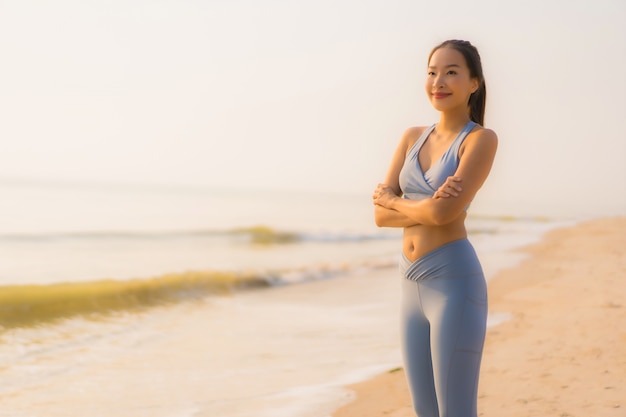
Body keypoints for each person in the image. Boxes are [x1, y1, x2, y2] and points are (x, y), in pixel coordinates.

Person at [372, 39, 498, 417]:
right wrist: (426, 206)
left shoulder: (479, 139)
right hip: (409, 284)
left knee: (456, 411)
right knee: (424, 411)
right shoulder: (412, 137)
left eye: (451, 72)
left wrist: (395, 201)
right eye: (432, 72)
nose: (438, 81)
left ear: (474, 83)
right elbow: (379, 218)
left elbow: (443, 215)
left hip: (453, 284)